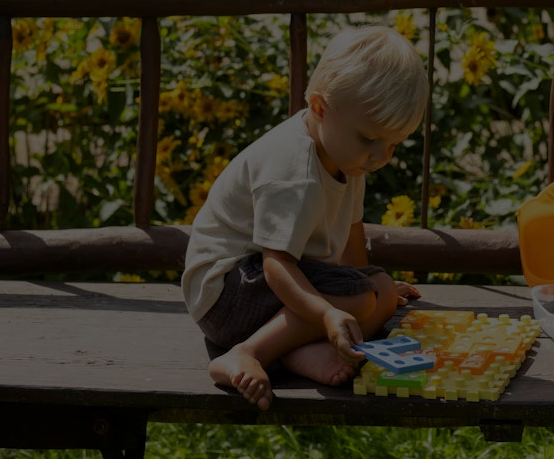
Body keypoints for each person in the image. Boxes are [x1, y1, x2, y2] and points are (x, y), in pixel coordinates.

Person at [182, 25, 429, 411]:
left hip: (266, 285)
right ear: (319, 107)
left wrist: (369, 287)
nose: (381, 157)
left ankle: (297, 350)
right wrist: (332, 310)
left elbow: (351, 236)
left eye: (394, 144)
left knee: (378, 292)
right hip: (226, 292)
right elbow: (276, 265)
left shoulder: (349, 156)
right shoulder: (293, 171)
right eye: (370, 139)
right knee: (359, 302)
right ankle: (248, 352)